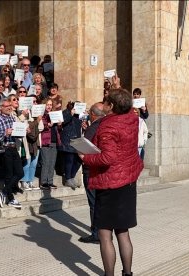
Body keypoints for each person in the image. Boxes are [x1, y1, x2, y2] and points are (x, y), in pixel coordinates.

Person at [80, 88, 143, 276]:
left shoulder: (108, 126)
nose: (104, 104)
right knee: (123, 233)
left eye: (106, 102)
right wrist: (117, 86)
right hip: (128, 182)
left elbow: (107, 158)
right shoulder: (132, 119)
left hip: (110, 184)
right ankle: (128, 273)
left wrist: (85, 157)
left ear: (112, 106)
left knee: (105, 235)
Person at [78, 102, 105, 244]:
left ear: (93, 114)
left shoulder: (94, 127)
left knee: (94, 202)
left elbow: (85, 147)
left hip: (91, 169)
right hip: (102, 169)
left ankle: (96, 233)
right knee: (100, 202)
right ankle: (104, 233)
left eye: (89, 112)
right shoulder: (105, 125)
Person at [0, 98, 24, 208]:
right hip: (5, 149)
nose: (9, 107)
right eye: (6, 106)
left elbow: (16, 133)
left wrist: (23, 131)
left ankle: (4, 191)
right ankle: (10, 199)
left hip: (14, 147)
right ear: (1, 108)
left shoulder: (12, 118)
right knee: (9, 175)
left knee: (20, 173)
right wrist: (5, 134)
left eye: (10, 105)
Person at [40, 98, 62, 189]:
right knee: (46, 162)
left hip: (54, 141)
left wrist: (60, 124)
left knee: (52, 162)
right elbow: (41, 126)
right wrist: (47, 125)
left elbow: (59, 130)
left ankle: (50, 181)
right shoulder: (42, 115)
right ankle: (44, 182)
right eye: (47, 104)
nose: (49, 106)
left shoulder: (54, 114)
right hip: (46, 141)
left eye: (50, 105)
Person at [60, 101, 82, 189]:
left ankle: (72, 177)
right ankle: (68, 179)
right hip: (68, 140)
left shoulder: (78, 115)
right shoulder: (65, 112)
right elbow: (63, 121)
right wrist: (71, 114)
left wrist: (84, 117)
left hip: (77, 140)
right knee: (69, 159)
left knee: (79, 160)